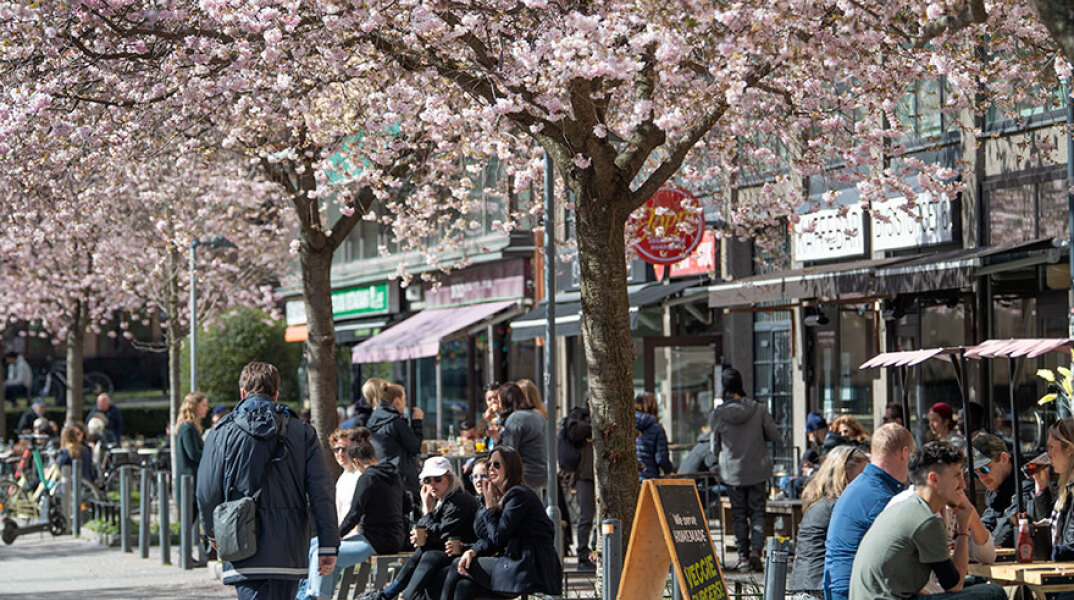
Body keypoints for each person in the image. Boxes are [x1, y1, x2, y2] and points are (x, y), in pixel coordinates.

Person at [197, 362, 339, 600]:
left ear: (242, 392)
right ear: (276, 394)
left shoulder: (222, 431)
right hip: (289, 547)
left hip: (241, 541)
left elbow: (206, 490)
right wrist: (328, 545)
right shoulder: (302, 432)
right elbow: (321, 491)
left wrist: (213, 533)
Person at [848, 442, 1005, 600]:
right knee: (993, 593)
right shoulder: (925, 519)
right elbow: (954, 585)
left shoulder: (908, 506)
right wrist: (963, 529)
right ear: (934, 479)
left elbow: (985, 557)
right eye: (957, 476)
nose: (963, 484)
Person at [296, 427, 408, 600]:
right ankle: (311, 594)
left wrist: (334, 538)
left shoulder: (367, 478)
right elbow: (406, 505)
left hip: (376, 541)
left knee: (322, 550)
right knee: (314, 545)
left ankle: (315, 597)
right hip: (391, 537)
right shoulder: (393, 474)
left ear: (356, 461)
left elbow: (354, 514)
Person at [441, 446, 562, 600]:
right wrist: (472, 550)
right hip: (516, 563)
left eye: (497, 465)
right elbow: (489, 536)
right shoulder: (504, 497)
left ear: (510, 468)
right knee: (464, 587)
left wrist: (490, 506)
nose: (491, 469)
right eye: (489, 465)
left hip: (529, 566)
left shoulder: (518, 494)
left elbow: (498, 538)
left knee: (458, 565)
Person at [361, 457, 480, 600]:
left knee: (429, 555)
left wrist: (427, 509)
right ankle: (390, 594)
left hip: (464, 550)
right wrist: (420, 532)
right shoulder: (445, 499)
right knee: (422, 552)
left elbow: (440, 535)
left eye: (437, 479)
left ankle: (397, 596)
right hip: (446, 549)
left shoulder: (458, 500)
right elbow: (435, 533)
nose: (432, 484)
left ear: (449, 478)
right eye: (427, 480)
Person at [824, 423, 914, 600]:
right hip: (857, 591)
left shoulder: (861, 485)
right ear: (904, 454)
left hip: (839, 587)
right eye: (911, 456)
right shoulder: (881, 497)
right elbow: (902, 556)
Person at [709, 367, 778, 572]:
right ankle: (756, 550)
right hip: (758, 469)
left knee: (739, 514)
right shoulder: (758, 409)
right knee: (757, 512)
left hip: (732, 473)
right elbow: (774, 435)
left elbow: (714, 447)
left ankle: (742, 557)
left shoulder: (719, 414)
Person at [788, 446, 869, 600]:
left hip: (805, 586)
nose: (867, 482)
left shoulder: (820, 504)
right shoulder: (837, 507)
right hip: (820, 589)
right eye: (862, 477)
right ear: (844, 476)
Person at [971, 433, 1045, 547]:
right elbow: (988, 521)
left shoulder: (1027, 482)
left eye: (985, 469)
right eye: (976, 473)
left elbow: (1005, 532)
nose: (982, 477)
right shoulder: (997, 489)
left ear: (1004, 458)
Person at [366, 380, 424, 496]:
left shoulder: (372, 420)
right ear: (397, 401)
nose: (405, 404)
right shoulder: (396, 422)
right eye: (404, 399)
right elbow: (414, 447)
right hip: (402, 477)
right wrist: (417, 423)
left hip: (381, 473)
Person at [491, 382, 547, 490]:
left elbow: (508, 454)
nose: (497, 404)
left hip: (526, 474)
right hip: (543, 473)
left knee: (483, 475)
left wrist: (497, 440)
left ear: (505, 400)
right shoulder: (537, 415)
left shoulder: (515, 419)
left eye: (498, 400)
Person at [177, 392, 210, 564]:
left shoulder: (187, 427)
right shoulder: (188, 427)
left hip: (189, 481)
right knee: (190, 519)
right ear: (195, 407)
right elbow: (193, 453)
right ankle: (184, 554)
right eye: (203, 405)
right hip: (190, 481)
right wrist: (210, 453)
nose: (206, 409)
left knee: (190, 519)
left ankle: (185, 554)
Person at [564, 404, 596, 569]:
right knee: (586, 517)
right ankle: (583, 555)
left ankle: (596, 552)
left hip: (597, 476)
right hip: (585, 476)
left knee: (600, 518)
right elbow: (574, 433)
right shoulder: (580, 421)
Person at [1045, 419, 1074, 563]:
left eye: (1051, 447)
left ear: (1069, 449)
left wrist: (1043, 550)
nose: (1048, 454)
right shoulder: (1066, 487)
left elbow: (1071, 547)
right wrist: (1040, 488)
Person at [329, 429, 363, 538]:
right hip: (343, 535)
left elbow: (360, 514)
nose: (340, 454)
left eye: (344, 449)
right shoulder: (341, 480)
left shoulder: (361, 475)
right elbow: (339, 516)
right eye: (336, 449)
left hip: (358, 536)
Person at [635, 392, 674, 480]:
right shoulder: (657, 428)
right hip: (649, 477)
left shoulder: (626, 427)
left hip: (629, 478)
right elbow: (661, 457)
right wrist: (667, 472)